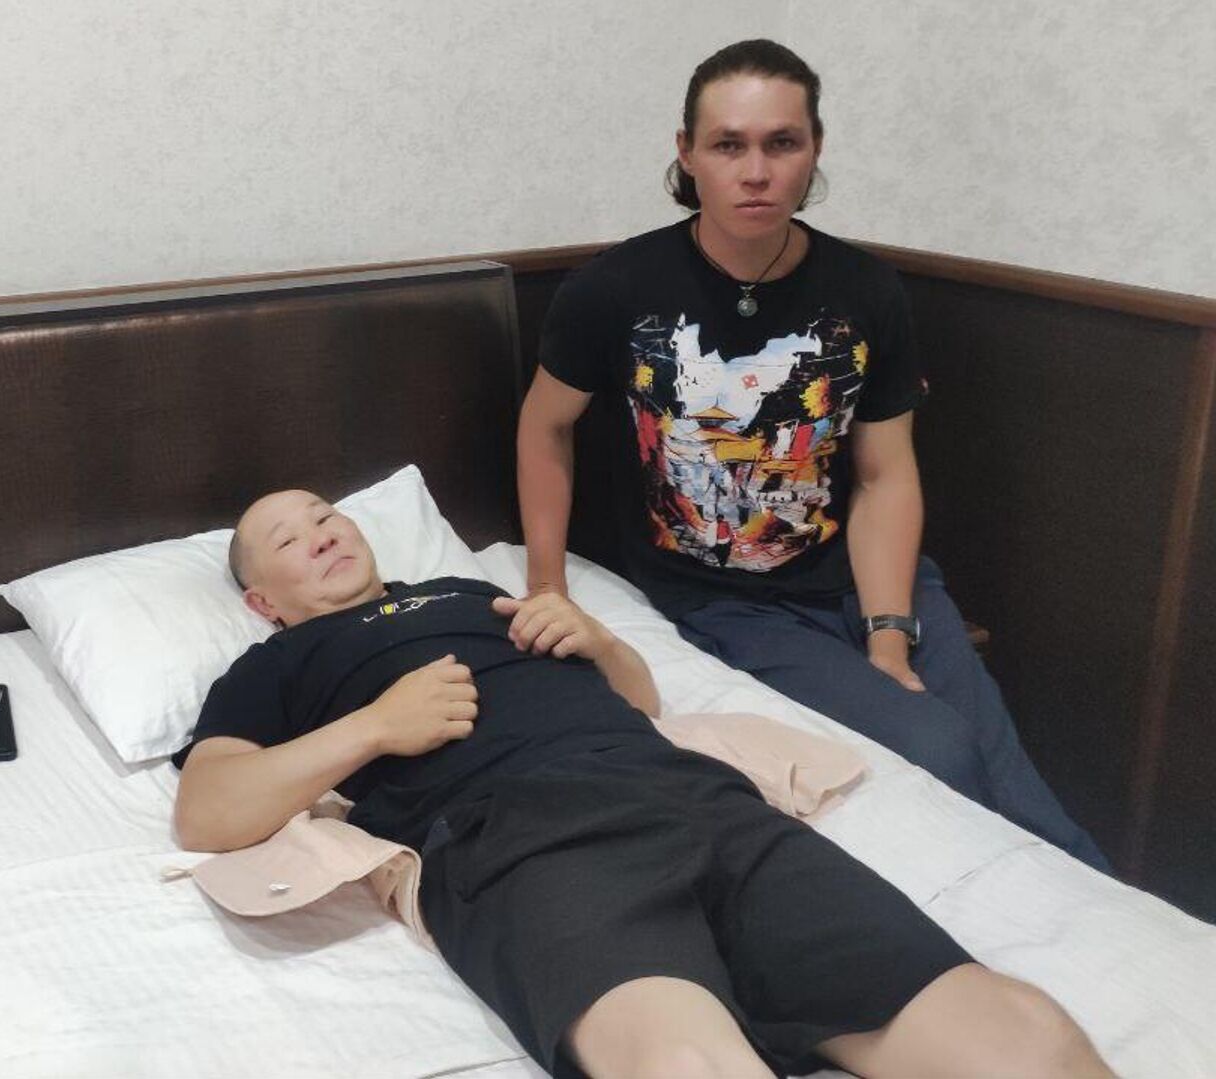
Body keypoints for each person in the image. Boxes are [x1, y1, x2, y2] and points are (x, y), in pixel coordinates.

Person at [176, 489, 1110, 1078]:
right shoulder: (276, 665)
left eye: (326, 515)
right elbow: (207, 811)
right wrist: (377, 726)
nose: (321, 533)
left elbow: (640, 701)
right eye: (288, 539)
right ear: (263, 601)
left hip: (686, 790)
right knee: (686, 1064)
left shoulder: (468, 591)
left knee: (1025, 1033)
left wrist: (600, 641)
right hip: (524, 840)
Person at [514, 39, 1107, 869]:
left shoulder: (866, 289)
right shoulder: (613, 288)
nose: (756, 172)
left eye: (782, 143)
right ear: (687, 153)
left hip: (865, 571)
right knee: (940, 749)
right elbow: (544, 427)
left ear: (815, 149)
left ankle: (1106, 909)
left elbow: (885, 474)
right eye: (729, 145)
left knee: (1013, 777)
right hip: (725, 594)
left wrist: (888, 637)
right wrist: (547, 586)